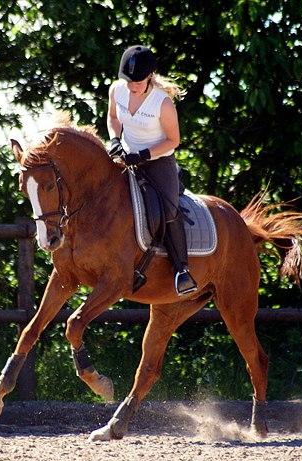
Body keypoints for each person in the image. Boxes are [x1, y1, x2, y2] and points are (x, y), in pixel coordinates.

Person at [106, 45, 197, 295]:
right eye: (129, 82)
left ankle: (182, 270)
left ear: (150, 77)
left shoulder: (163, 103)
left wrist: (144, 155)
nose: (133, 87)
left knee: (168, 208)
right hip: (125, 154)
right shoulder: (117, 90)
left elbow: (173, 140)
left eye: (138, 82)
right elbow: (113, 118)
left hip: (158, 160)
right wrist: (115, 140)